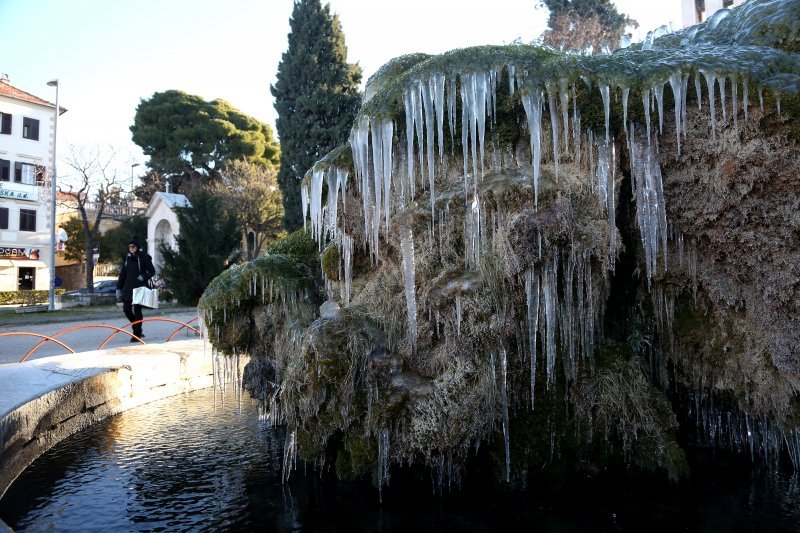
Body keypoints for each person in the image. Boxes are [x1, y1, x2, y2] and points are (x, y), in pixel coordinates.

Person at [116, 236, 155, 342]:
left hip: (139, 288)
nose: (131, 248)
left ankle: (136, 335)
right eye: (129, 247)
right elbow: (123, 274)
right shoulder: (127, 258)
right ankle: (137, 328)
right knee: (126, 309)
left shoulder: (144, 257)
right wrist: (118, 288)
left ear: (137, 247)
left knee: (137, 310)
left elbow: (152, 271)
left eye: (133, 246)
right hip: (128, 288)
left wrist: (143, 276)